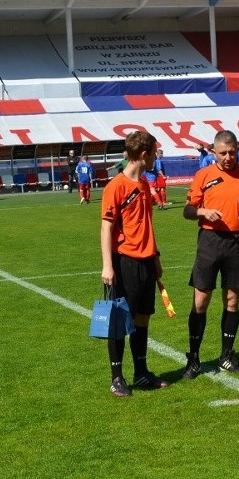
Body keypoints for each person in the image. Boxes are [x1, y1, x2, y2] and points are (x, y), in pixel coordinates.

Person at [182, 130, 239, 378]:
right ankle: (193, 358)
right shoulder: (203, 175)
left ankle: (227, 355)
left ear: (238, 148)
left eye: (232, 152)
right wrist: (203, 212)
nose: (228, 157)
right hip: (210, 241)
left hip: (237, 243)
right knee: (200, 301)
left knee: (232, 301)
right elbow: (187, 210)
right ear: (214, 152)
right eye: (223, 153)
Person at [101, 130, 170, 397]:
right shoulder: (115, 187)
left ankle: (140, 373)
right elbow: (106, 228)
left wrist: (155, 256)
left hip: (146, 262)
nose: (155, 157)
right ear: (144, 155)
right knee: (119, 320)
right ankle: (117, 378)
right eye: (153, 153)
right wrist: (108, 265)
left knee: (142, 318)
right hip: (124, 262)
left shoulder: (143, 184)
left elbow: (146, 224)